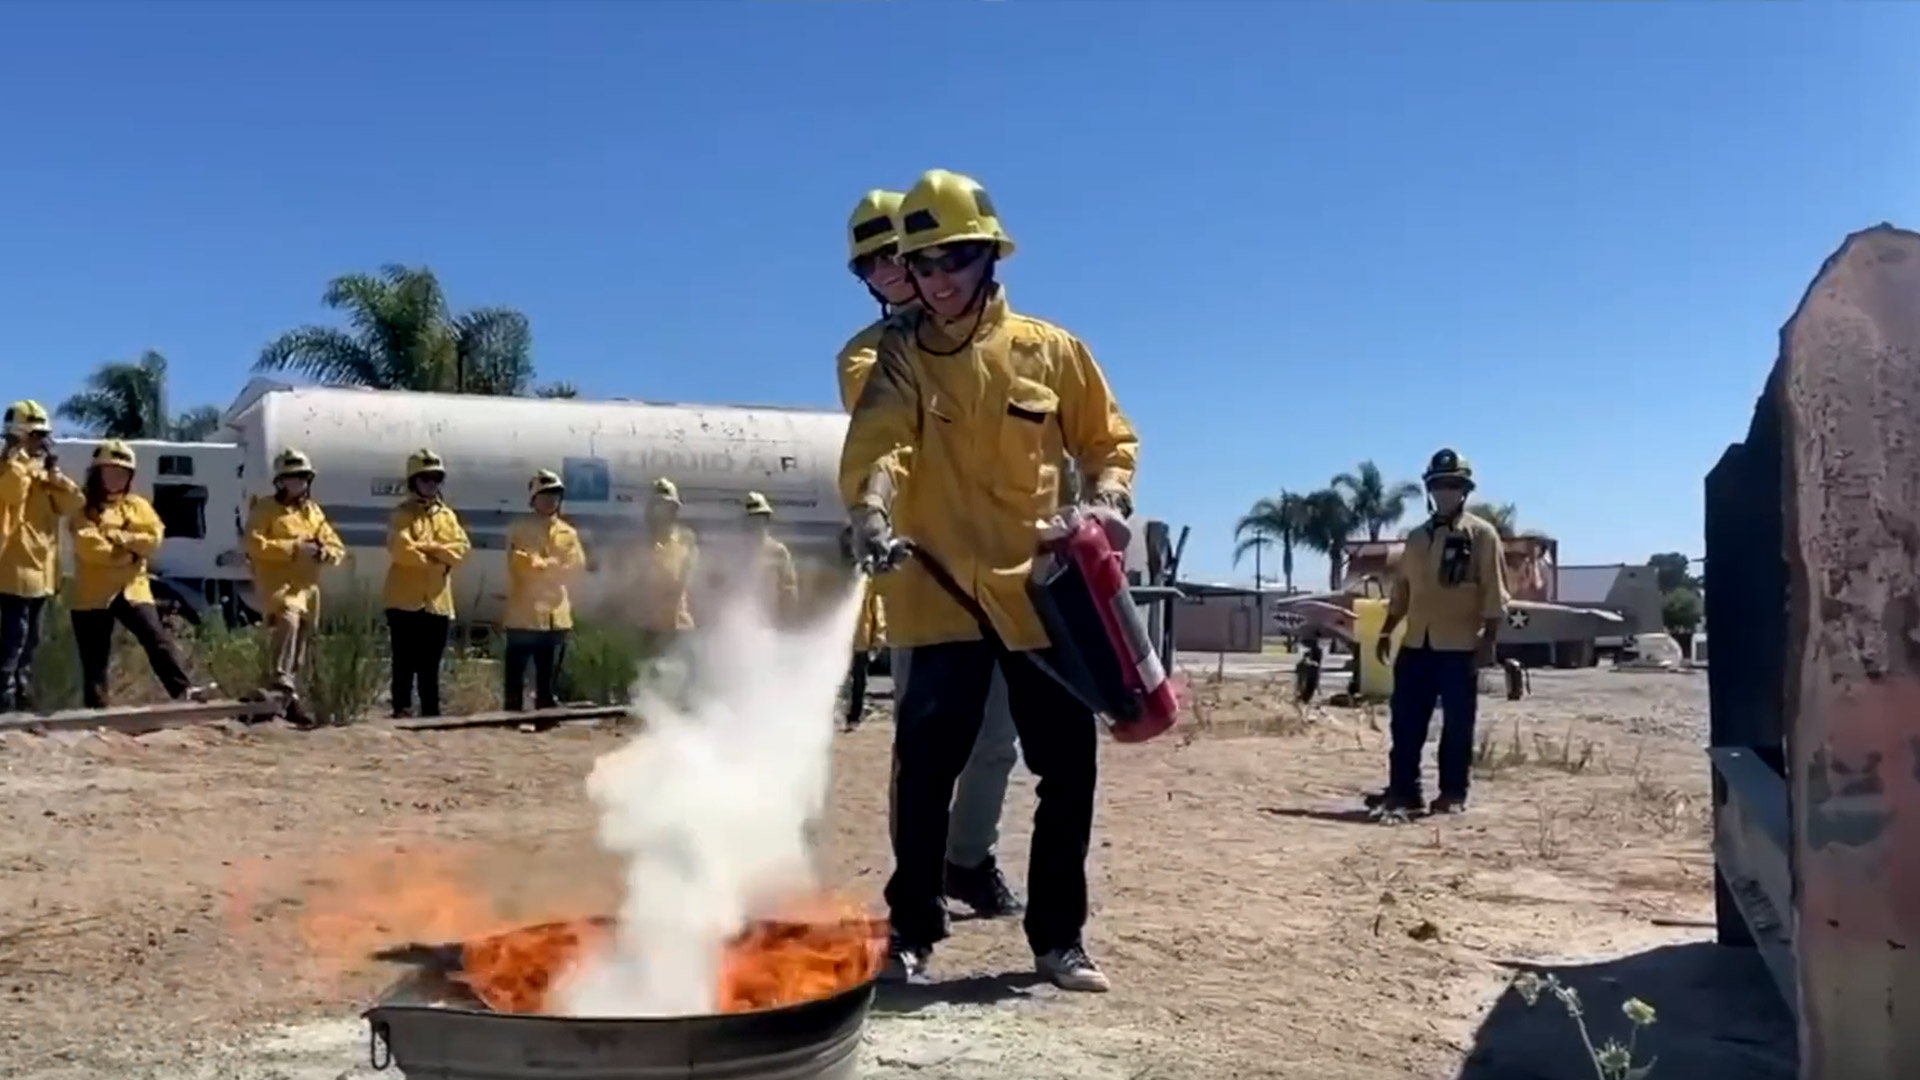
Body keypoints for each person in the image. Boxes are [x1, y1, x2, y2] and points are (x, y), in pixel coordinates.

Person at [841, 169, 1140, 991]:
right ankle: (910, 931)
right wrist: (871, 508)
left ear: (988, 258)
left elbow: (1108, 442)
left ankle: (1058, 940)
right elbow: (881, 446)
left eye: (953, 262)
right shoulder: (896, 359)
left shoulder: (1051, 351)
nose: (936, 281)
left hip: (1038, 598)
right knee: (927, 774)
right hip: (937, 596)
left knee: (1066, 771)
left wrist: (1110, 501)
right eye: (923, 264)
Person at [836, 186, 1025, 919]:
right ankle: (919, 882)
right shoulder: (870, 357)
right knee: (922, 750)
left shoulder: (997, 342)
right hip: (924, 575)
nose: (889, 275)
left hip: (1003, 573)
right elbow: (893, 433)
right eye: (871, 267)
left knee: (997, 740)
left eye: (899, 258)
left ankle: (970, 860)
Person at [1368, 449, 1509, 817]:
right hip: (1417, 643)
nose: (1446, 491)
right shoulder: (1416, 538)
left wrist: (1488, 638)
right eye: (1439, 485)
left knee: (1457, 724)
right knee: (1406, 722)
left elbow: (1494, 589)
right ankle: (1403, 790)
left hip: (1460, 645)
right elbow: (1403, 591)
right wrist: (1386, 632)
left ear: (1464, 490)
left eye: (1453, 485)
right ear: (1429, 489)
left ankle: (1453, 792)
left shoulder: (1482, 536)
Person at [67, 440, 201, 708]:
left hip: (133, 588)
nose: (117, 478)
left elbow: (153, 539)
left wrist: (119, 539)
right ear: (97, 473)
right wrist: (131, 552)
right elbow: (91, 548)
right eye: (111, 471)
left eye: (124, 473)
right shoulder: (84, 509)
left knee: (157, 640)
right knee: (95, 659)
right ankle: (97, 712)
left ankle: (184, 693)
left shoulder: (138, 505)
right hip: (93, 594)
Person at [245, 448, 345, 726]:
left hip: (308, 589)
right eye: (292, 478)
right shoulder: (265, 509)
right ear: (280, 481)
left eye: (303, 478)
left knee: (302, 642)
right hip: (278, 585)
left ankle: (290, 699)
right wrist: (293, 548)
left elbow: (336, 545)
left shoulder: (313, 512)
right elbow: (254, 544)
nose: (298, 483)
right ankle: (279, 682)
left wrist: (325, 553)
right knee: (286, 620)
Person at [0, 400, 84, 712]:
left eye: (44, 435)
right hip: (14, 569)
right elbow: (11, 494)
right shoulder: (10, 467)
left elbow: (73, 503)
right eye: (34, 435)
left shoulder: (43, 470)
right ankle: (4, 703)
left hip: (42, 572)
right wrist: (16, 459)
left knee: (30, 642)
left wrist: (53, 472)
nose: (41, 441)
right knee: (13, 641)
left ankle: (21, 698)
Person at [383, 449, 470, 719]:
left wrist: (429, 549)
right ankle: (402, 707)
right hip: (403, 598)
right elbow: (401, 549)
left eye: (435, 479)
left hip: (437, 600)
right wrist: (438, 557)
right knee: (404, 659)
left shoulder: (448, 516)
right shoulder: (402, 514)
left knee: (431, 662)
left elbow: (462, 549)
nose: (431, 484)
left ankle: (431, 710)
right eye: (425, 479)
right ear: (413, 482)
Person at [505, 469, 585, 722]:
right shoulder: (519, 529)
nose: (550, 500)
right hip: (523, 615)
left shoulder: (568, 533)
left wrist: (542, 565)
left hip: (556, 615)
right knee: (515, 674)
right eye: (544, 495)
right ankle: (512, 716)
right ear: (533, 499)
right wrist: (550, 566)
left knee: (548, 674)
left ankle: (545, 716)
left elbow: (575, 567)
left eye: (554, 495)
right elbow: (519, 563)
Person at [638, 477, 699, 645]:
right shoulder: (642, 543)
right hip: (649, 628)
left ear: (674, 510)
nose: (661, 512)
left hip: (679, 626)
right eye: (657, 506)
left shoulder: (686, 540)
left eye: (666, 507)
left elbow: (686, 581)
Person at [742, 491, 800, 619]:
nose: (755, 524)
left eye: (759, 518)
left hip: (770, 620)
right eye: (751, 519)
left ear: (767, 520)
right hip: (742, 618)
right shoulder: (737, 551)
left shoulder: (778, 551)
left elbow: (789, 588)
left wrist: (786, 617)